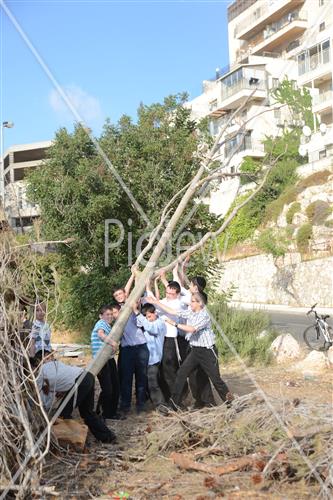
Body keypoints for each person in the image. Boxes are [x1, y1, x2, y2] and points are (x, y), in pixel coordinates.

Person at [148, 292, 233, 410]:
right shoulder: (190, 312)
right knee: (181, 373)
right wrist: (156, 302)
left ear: (200, 303)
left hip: (207, 351)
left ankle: (231, 403)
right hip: (195, 350)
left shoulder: (204, 315)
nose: (190, 303)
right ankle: (174, 403)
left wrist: (174, 324)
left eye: (193, 301)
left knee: (216, 379)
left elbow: (192, 329)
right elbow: (173, 311)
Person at [35, 350, 116, 443]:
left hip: (80, 382)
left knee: (62, 414)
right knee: (87, 412)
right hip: (87, 376)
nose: (51, 358)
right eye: (49, 356)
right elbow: (63, 380)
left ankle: (76, 439)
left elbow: (43, 397)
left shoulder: (42, 372)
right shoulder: (57, 364)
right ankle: (107, 437)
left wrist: (45, 409)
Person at [147, 279, 186, 401]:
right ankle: (167, 396)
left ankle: (177, 397)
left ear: (177, 294)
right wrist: (148, 284)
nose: (168, 295)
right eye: (167, 292)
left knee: (170, 368)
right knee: (162, 369)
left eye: (171, 293)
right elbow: (151, 298)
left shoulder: (178, 303)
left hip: (170, 338)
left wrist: (156, 303)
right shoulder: (163, 301)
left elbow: (170, 311)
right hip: (159, 339)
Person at [91, 305, 122, 420]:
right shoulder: (101, 323)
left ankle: (110, 411)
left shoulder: (109, 326)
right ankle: (105, 412)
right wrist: (112, 343)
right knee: (108, 388)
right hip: (101, 360)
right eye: (107, 314)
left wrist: (113, 347)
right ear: (101, 316)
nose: (109, 316)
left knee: (115, 386)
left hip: (109, 359)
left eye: (111, 314)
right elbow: (100, 334)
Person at [136, 303, 166, 410]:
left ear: (155, 313)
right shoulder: (148, 322)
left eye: (149, 316)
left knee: (153, 382)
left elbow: (151, 329)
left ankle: (161, 406)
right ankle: (151, 402)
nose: (148, 319)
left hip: (154, 359)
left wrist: (138, 314)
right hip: (146, 358)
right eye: (146, 317)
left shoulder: (159, 323)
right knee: (148, 382)